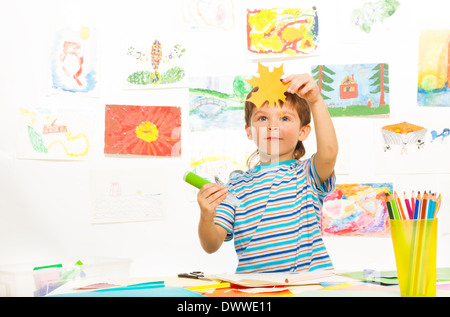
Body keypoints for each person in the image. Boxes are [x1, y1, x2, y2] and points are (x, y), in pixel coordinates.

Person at [196, 73, 338, 273]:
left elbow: (330, 152)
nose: (272, 126)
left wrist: (315, 100)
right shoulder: (235, 185)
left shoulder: (308, 174)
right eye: (263, 118)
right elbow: (211, 245)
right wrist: (206, 215)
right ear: (249, 131)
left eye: (285, 118)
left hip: (307, 286)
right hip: (255, 290)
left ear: (303, 132)